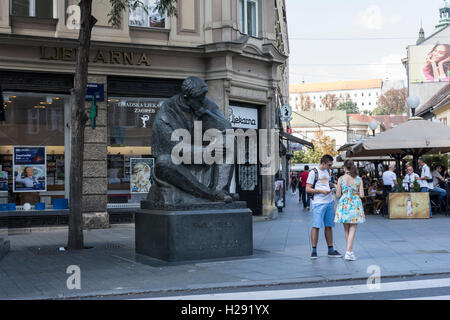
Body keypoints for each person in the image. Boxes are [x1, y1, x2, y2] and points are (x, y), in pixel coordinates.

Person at [306, 154, 342, 260]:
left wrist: (333, 185)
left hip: (329, 201)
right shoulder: (313, 172)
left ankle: (330, 250)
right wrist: (321, 191)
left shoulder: (328, 171)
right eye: (329, 165)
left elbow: (326, 183)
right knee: (316, 226)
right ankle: (314, 251)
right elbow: (307, 189)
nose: (330, 167)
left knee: (329, 226)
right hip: (318, 202)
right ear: (323, 162)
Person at [334, 160, 365, 261]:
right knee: (353, 229)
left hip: (344, 203)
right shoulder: (359, 179)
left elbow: (338, 195)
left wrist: (337, 188)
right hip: (355, 203)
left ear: (345, 168)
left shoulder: (341, 178)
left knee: (347, 230)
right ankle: (349, 252)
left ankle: (350, 251)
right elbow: (362, 195)